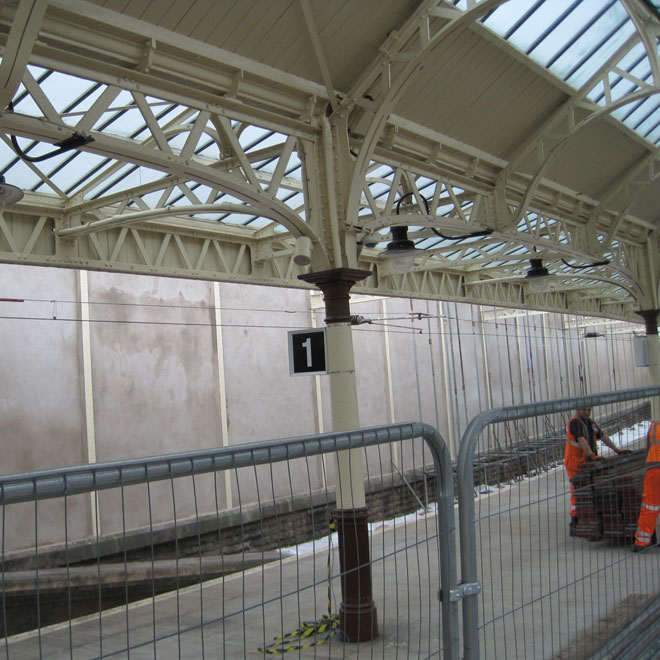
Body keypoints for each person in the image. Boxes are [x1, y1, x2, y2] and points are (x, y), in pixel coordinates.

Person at [565, 406, 625, 535]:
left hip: (587, 462)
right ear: (578, 410)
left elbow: (602, 436)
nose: (587, 412)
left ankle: (589, 520)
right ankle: (574, 522)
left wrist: (616, 449)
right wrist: (592, 455)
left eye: (589, 410)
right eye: (584, 409)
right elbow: (581, 440)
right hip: (576, 464)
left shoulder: (590, 422)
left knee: (590, 490)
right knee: (577, 491)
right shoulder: (575, 423)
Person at [632, 421, 660, 552]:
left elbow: (648, 448)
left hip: (653, 468)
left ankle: (641, 543)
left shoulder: (654, 426)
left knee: (650, 506)